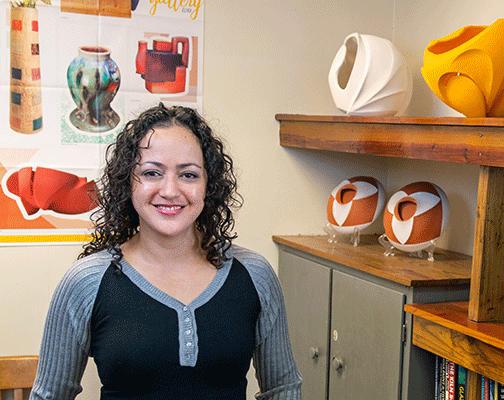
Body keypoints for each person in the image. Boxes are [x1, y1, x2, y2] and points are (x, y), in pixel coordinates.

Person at [30, 103, 302, 400]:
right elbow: (49, 396)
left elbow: (283, 389)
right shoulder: (86, 282)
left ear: (208, 185)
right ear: (127, 182)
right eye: (151, 173)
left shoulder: (255, 275)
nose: (170, 190)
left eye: (188, 175)